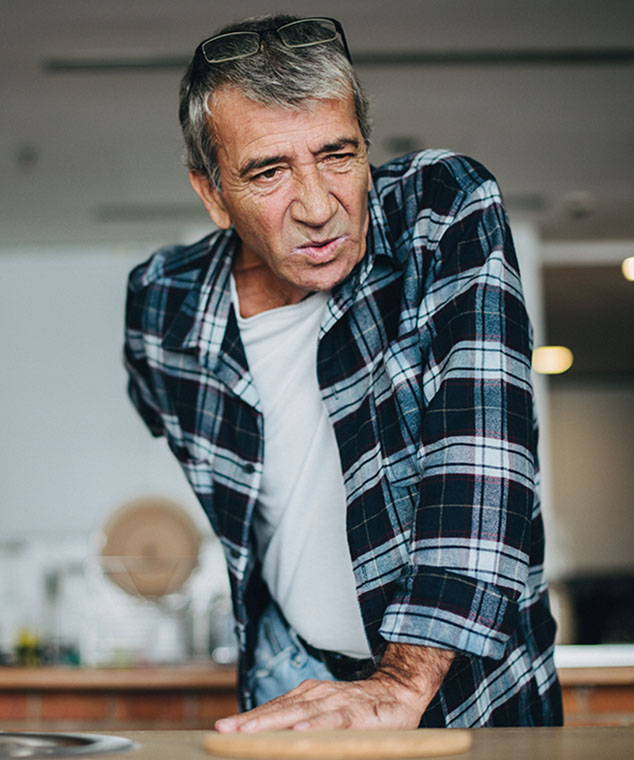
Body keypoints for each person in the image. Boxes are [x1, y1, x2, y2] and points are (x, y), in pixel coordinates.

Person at [123, 14, 563, 729]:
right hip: (289, 674)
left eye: (337, 155)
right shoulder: (162, 301)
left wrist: (397, 684)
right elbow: (164, 413)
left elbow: (482, 456)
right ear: (210, 193)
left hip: (461, 684)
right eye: (268, 171)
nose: (320, 207)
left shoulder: (440, 211)